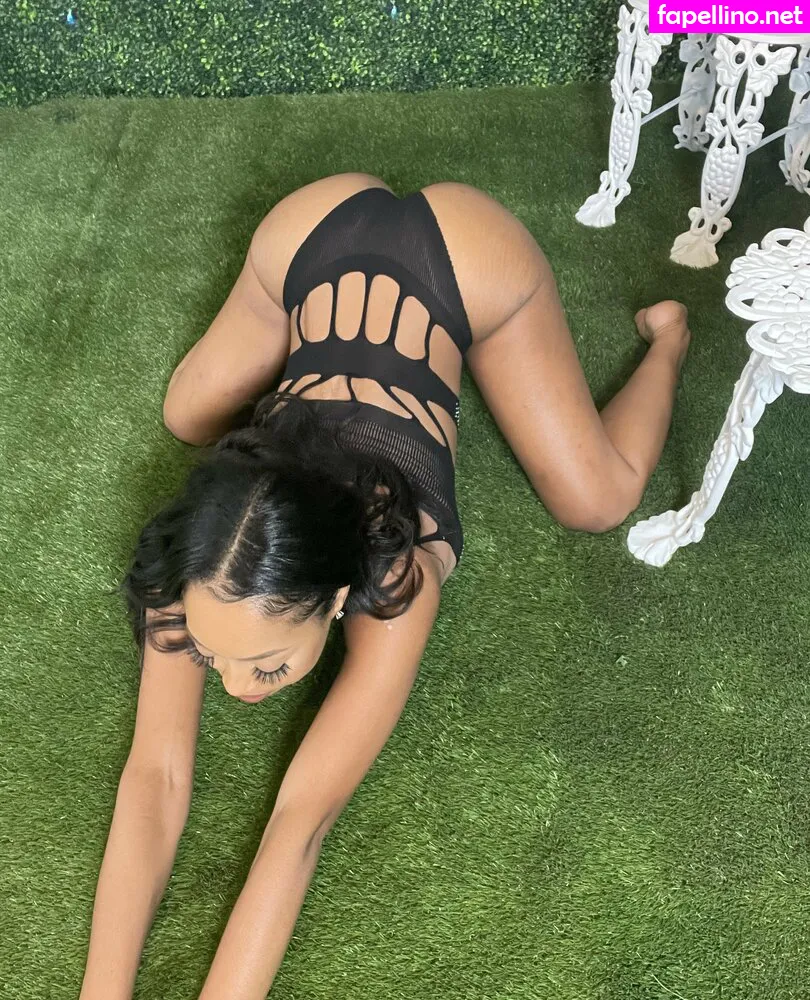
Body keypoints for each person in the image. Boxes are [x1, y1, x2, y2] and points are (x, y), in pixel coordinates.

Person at [80, 172, 691, 999]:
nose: (234, 687)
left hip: (465, 265)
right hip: (308, 240)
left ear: (340, 597)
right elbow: (155, 777)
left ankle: (672, 340)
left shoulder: (400, 577)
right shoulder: (192, 561)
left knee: (598, 498)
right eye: (211, 653)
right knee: (188, 415)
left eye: (266, 664)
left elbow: (300, 823)